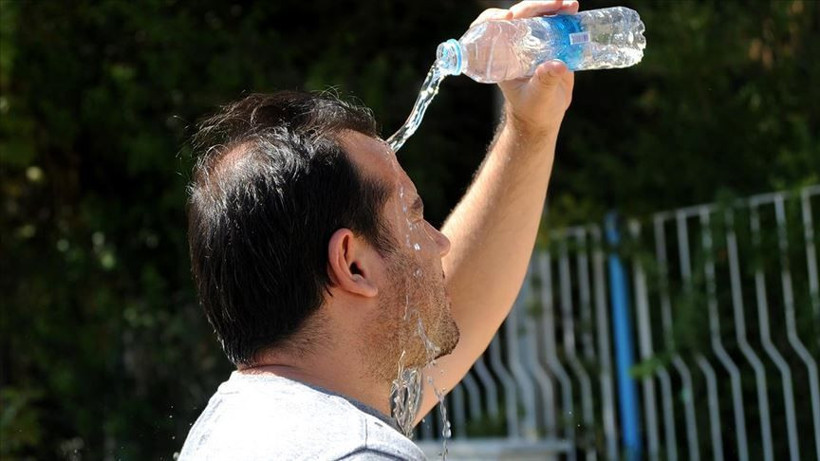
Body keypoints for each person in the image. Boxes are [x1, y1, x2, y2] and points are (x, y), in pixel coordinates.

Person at [178, 1, 577, 459]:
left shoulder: (239, 425)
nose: (440, 241)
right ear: (352, 263)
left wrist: (531, 129)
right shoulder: (361, 452)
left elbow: (459, 303)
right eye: (413, 216)